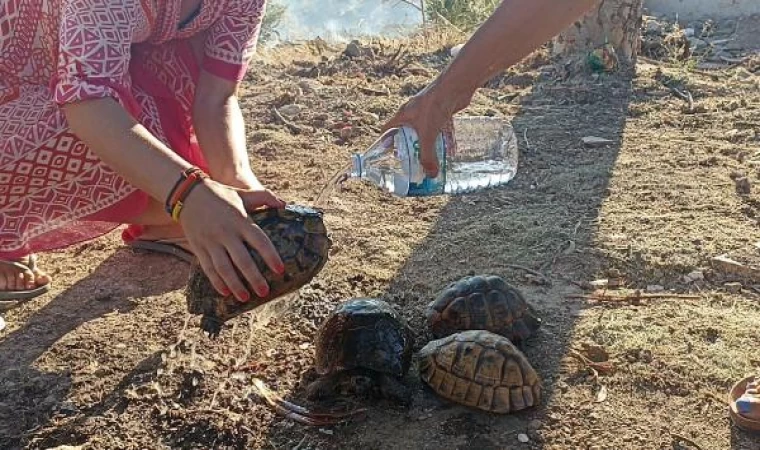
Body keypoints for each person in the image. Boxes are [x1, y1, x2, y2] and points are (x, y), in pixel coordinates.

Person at [1, 0, 288, 305]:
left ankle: (173, 218)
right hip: (17, 83)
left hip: (94, 76)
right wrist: (187, 192)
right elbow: (87, 103)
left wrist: (238, 185)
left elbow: (216, 98)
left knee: (186, 72)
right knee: (157, 167)